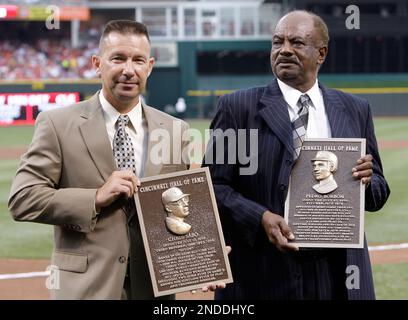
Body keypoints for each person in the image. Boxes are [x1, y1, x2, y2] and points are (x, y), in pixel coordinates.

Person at [204, 10, 390, 300]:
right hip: (263, 272)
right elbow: (212, 188)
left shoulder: (355, 108)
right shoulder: (237, 108)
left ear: (321, 53)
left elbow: (378, 191)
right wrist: (261, 217)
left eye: (297, 43)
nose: (285, 50)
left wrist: (367, 181)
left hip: (337, 273)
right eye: (278, 42)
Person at [8, 20, 194, 300]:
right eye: (118, 58)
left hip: (154, 291)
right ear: (97, 63)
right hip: (86, 289)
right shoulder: (57, 124)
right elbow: (23, 198)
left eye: (138, 60)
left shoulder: (176, 130)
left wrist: (203, 253)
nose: (128, 70)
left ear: (150, 66)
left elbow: (178, 206)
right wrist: (94, 198)